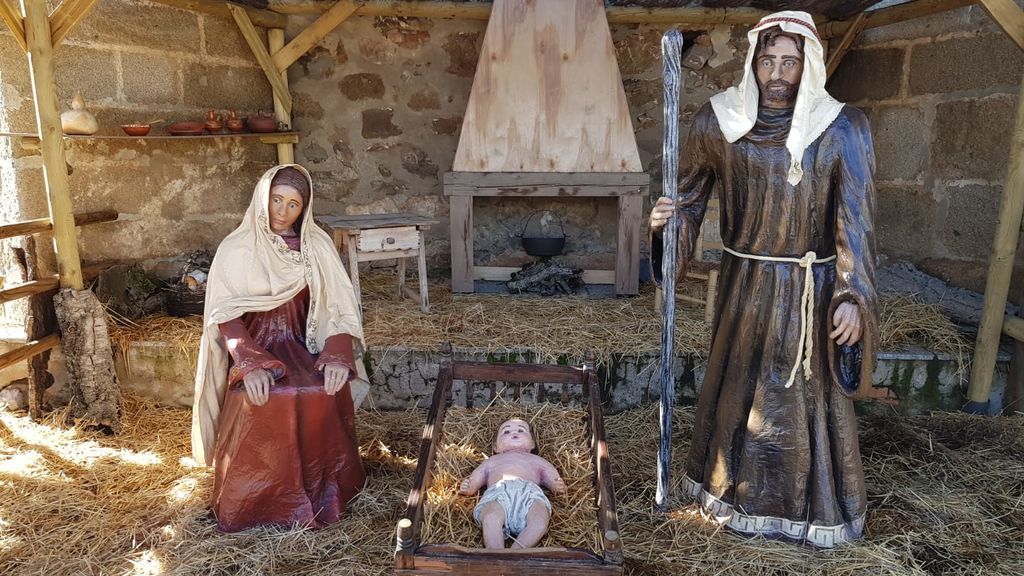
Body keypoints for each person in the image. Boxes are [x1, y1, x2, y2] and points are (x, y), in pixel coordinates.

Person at [649, 11, 877, 548]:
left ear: (809, 67)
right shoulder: (720, 121)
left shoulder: (842, 127)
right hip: (743, 290)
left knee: (802, 403)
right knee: (737, 396)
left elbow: (857, 221)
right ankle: (728, 496)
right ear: (753, 59)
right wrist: (666, 226)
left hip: (810, 292)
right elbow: (684, 201)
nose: (777, 73)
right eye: (768, 59)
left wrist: (852, 295)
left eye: (790, 63)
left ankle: (810, 511)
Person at [191, 165, 367, 532]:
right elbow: (226, 316)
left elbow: (337, 308)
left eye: (293, 204)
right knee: (268, 397)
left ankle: (328, 494)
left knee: (320, 389)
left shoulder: (315, 246)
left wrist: (337, 354)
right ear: (262, 197)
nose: (282, 211)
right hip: (256, 348)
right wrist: (249, 363)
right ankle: (256, 501)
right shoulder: (236, 248)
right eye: (276, 200)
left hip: (304, 345)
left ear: (304, 209)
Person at [459, 418, 567, 549]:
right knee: (491, 517)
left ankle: (517, 552)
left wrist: (556, 485)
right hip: (499, 494)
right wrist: (470, 487)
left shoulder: (536, 460)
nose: (514, 433)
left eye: (521, 430)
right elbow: (478, 476)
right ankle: (496, 553)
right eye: (506, 432)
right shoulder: (493, 461)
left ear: (532, 443)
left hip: (529, 495)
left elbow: (550, 474)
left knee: (539, 522)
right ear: (496, 447)